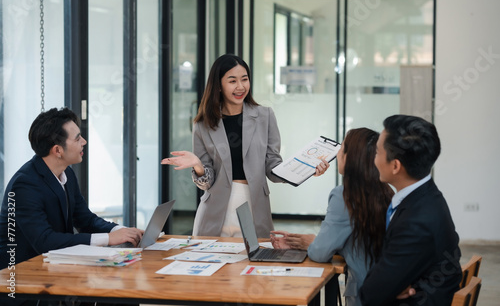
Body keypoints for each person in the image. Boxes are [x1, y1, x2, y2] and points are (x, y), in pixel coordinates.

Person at [161, 54, 329, 238]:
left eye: (245, 79)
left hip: (254, 207)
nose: (240, 87)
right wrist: (198, 166)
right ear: (218, 85)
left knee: (255, 263)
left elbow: (273, 166)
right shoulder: (203, 124)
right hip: (214, 213)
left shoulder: (265, 116)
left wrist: (305, 168)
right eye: (232, 81)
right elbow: (206, 183)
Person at [0, 107, 144, 271]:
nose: (84, 141)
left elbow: (85, 220)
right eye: (77, 139)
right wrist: (108, 238)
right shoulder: (24, 185)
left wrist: (122, 231)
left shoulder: (65, 172)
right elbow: (45, 241)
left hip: (53, 269)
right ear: (57, 150)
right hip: (20, 279)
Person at [271, 128, 393, 306]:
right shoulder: (386, 191)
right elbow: (359, 243)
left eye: (342, 147)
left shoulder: (344, 195)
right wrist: (312, 242)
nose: (337, 153)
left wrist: (315, 243)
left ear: (351, 157)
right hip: (386, 291)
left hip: (363, 295)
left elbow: (320, 253)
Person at [359, 115, 462, 306]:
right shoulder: (427, 196)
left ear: (395, 166)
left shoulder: (416, 222)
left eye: (377, 153)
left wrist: (392, 285)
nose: (373, 160)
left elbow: (370, 294)